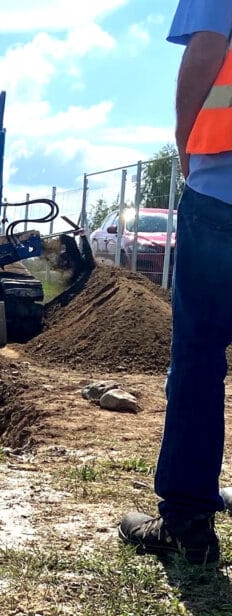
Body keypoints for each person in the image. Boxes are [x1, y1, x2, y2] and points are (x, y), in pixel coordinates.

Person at [118, 1, 232, 565]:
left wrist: (186, 147)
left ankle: (188, 522)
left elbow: (206, 48)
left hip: (223, 192)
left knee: (199, 358)